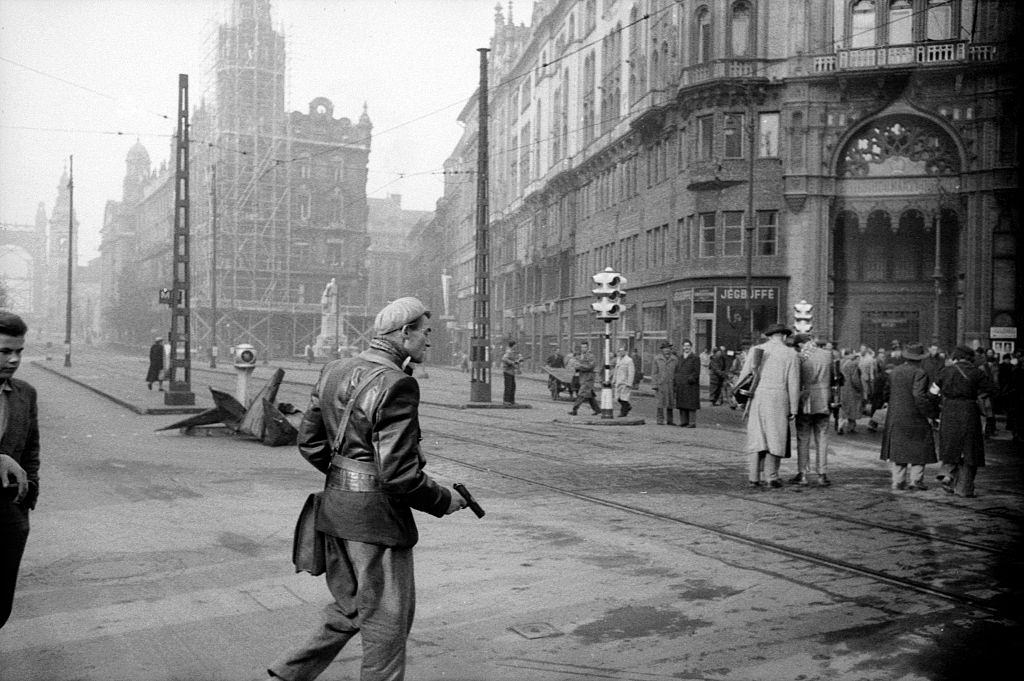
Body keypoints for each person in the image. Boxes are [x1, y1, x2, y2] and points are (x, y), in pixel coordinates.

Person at [268, 297, 466, 681]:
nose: (429, 341)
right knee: (387, 628)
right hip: (375, 523)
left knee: (353, 606)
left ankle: (286, 675)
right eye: (426, 332)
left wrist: (349, 477)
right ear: (404, 332)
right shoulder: (398, 384)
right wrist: (445, 500)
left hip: (334, 512)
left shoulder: (334, 369)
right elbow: (399, 475)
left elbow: (310, 444)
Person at [0, 312, 39, 629]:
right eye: (4, 351)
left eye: (19, 352)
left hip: (8, 516)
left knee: (0, 607)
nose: (14, 360)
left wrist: (25, 503)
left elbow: (31, 450)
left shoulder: (25, 394)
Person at [737, 323, 800, 488]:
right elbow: (793, 383)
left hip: (757, 397)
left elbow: (744, 377)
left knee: (757, 437)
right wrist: (794, 408)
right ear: (784, 336)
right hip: (779, 398)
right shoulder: (791, 353)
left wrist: (741, 400)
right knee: (775, 436)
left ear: (769, 335)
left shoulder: (756, 350)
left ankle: (753, 477)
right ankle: (771, 477)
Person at [934, 346, 995, 498]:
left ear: (956, 356)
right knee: (970, 450)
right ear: (970, 358)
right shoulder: (977, 372)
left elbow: (932, 392)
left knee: (950, 445)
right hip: (969, 411)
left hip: (949, 411)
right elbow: (992, 389)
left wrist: (937, 408)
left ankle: (947, 473)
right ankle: (964, 489)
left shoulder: (945, 371)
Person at [879, 343, 939, 491]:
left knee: (899, 448)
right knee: (919, 447)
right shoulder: (920, 373)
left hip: (895, 415)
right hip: (915, 416)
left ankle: (898, 480)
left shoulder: (894, 372)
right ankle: (916, 480)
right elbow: (918, 396)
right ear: (920, 359)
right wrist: (930, 413)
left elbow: (885, 393)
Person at [792, 334, 835, 487]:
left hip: (805, 401)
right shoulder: (827, 355)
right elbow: (835, 379)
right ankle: (822, 474)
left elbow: (795, 380)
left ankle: (802, 473)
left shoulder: (799, 357)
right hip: (824, 399)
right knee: (822, 437)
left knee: (803, 437)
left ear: (800, 344)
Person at [673, 340, 700, 428]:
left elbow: (696, 372)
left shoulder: (695, 357)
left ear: (691, 347)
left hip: (690, 385)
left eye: (688, 346)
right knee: (682, 403)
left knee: (691, 404)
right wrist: (677, 379)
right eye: (685, 346)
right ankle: (684, 421)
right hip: (681, 384)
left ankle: (692, 422)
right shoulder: (680, 358)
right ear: (682, 347)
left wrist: (690, 379)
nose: (686, 347)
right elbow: (677, 370)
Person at [569, 341, 600, 416]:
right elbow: (576, 364)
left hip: (588, 378)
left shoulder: (591, 356)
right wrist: (575, 366)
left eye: (585, 347)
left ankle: (574, 410)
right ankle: (597, 410)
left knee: (581, 393)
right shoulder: (580, 356)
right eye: (582, 347)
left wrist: (579, 366)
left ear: (588, 347)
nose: (583, 349)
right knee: (590, 395)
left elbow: (590, 366)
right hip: (582, 378)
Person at [650, 341, 678, 424]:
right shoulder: (657, 359)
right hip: (660, 384)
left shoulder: (674, 359)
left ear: (670, 349)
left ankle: (670, 420)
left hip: (671, 384)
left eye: (668, 348)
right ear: (662, 350)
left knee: (670, 402)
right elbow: (654, 372)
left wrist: (676, 384)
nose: (667, 350)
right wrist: (654, 384)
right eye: (665, 348)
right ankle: (660, 419)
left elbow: (677, 372)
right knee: (660, 402)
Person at [838, 349, 864, 434]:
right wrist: (860, 388)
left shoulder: (841, 362)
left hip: (842, 388)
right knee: (853, 408)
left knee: (843, 408)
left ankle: (840, 425)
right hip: (851, 390)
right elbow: (855, 379)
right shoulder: (853, 365)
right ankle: (851, 427)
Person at [612, 346, 635, 417]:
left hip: (625, 382)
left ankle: (623, 412)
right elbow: (616, 370)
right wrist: (614, 380)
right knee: (618, 398)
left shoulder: (629, 360)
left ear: (625, 352)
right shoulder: (618, 359)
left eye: (622, 351)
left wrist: (629, 382)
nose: (620, 352)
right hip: (618, 381)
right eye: (619, 351)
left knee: (624, 397)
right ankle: (628, 406)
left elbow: (631, 372)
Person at [501, 340, 522, 406]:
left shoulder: (513, 352)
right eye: (515, 345)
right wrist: (512, 363)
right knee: (508, 387)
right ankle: (506, 401)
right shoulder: (509, 352)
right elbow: (504, 359)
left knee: (512, 387)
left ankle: (511, 400)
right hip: (507, 371)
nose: (516, 346)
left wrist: (518, 360)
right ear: (513, 345)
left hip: (511, 372)